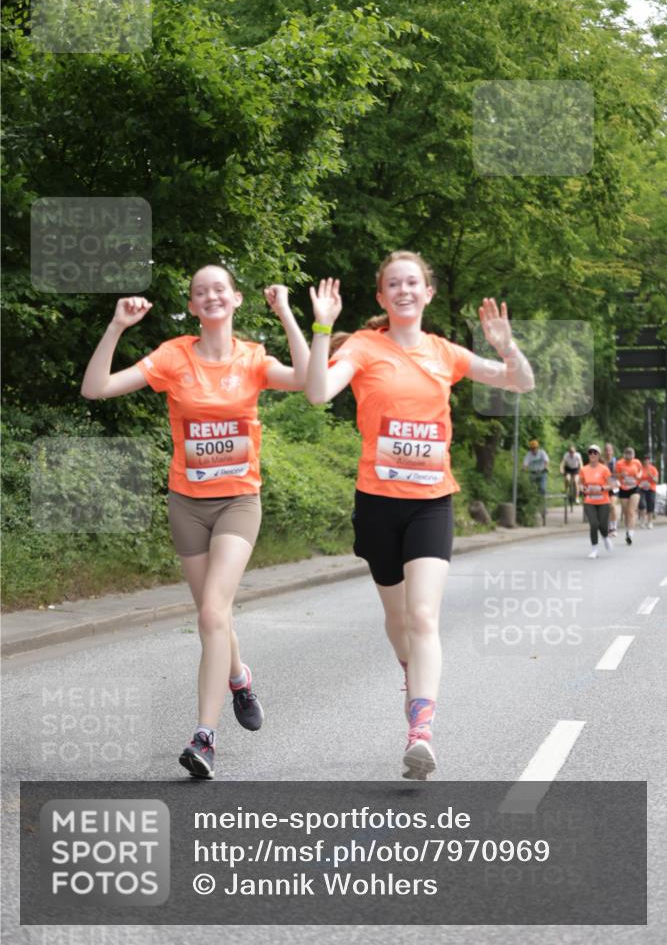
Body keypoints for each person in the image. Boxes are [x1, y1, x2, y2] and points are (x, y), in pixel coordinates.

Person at [304, 251, 534, 780]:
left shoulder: (445, 353)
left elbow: (519, 383)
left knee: (424, 616)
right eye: (394, 284)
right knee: (398, 619)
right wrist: (322, 329)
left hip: (432, 502)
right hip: (378, 504)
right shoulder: (363, 347)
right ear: (382, 297)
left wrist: (506, 346)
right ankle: (413, 675)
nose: (405, 290)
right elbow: (317, 393)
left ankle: (420, 732)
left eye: (414, 282)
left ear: (428, 293)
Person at [81, 265, 309, 779]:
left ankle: (204, 737)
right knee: (214, 616)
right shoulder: (172, 356)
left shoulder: (252, 358)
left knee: (211, 614)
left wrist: (288, 314)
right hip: (187, 503)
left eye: (219, 289)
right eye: (200, 291)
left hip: (237, 502)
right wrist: (117, 326)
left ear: (235, 299)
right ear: (193, 304)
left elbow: (308, 380)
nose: (211, 296)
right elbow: (95, 388)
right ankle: (239, 676)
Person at [578, 445, 614, 558]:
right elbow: (579, 483)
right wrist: (583, 489)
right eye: (590, 452)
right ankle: (594, 549)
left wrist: (601, 488)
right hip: (589, 500)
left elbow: (612, 485)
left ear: (598, 455)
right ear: (588, 455)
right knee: (594, 524)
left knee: (603, 526)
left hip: (603, 501)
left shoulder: (604, 469)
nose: (592, 454)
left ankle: (606, 537)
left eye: (595, 452)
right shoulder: (584, 469)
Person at [615, 446, 643, 545]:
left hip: (635, 488)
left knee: (631, 511)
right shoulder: (619, 463)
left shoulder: (637, 462)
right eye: (627, 456)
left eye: (631, 456)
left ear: (633, 456)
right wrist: (620, 475)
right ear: (624, 455)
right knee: (626, 512)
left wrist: (639, 475)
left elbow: (640, 471)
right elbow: (615, 475)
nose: (629, 458)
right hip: (623, 489)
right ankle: (627, 531)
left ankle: (631, 534)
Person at [638, 454, 658, 529]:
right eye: (645, 459)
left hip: (651, 488)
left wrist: (651, 477)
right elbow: (637, 478)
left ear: (649, 460)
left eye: (648, 459)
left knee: (651, 504)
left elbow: (656, 480)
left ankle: (650, 522)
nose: (646, 461)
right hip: (642, 488)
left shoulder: (653, 469)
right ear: (643, 461)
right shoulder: (640, 469)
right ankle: (643, 520)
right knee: (642, 504)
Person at [603, 442, 619, 536]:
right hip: (604, 487)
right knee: (607, 507)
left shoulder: (616, 462)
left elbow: (619, 474)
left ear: (612, 451)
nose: (608, 452)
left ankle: (614, 527)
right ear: (604, 452)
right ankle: (609, 527)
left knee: (612, 506)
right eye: (606, 450)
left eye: (610, 450)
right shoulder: (601, 462)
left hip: (614, 486)